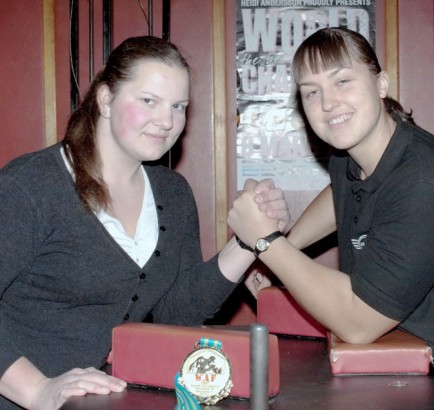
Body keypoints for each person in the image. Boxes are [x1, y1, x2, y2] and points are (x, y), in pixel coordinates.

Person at [228, 27, 434, 410]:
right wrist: (289, 246)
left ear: (381, 84)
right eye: (312, 92)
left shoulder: (429, 182)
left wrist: (267, 243)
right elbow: (342, 194)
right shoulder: (352, 159)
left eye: (342, 81)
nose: (328, 103)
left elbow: (358, 322)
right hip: (425, 374)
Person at [0, 36, 289, 410]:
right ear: (105, 100)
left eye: (178, 106)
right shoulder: (30, 186)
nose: (167, 121)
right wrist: (37, 390)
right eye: (149, 101)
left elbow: (176, 312)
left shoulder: (172, 193)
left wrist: (250, 241)